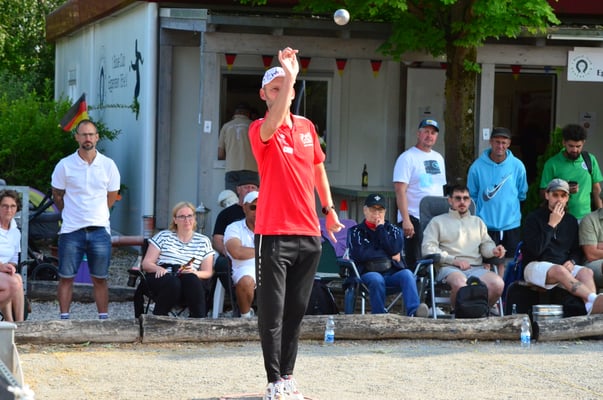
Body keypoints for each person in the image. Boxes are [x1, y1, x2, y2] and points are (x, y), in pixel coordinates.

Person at [248, 48, 343, 400]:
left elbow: (317, 167)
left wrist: (329, 209)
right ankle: (273, 380)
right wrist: (290, 76)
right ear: (264, 95)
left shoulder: (306, 127)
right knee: (272, 312)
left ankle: (288, 376)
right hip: (273, 233)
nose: (281, 92)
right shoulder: (260, 129)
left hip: (308, 233)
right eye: (274, 88)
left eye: (284, 87)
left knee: (296, 312)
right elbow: (273, 122)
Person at [51, 119, 121, 320]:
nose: (87, 138)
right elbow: (57, 195)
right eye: (83, 134)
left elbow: (111, 196)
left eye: (91, 134)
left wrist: (98, 213)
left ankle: (103, 319)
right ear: (77, 137)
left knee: (100, 278)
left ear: (97, 137)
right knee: (66, 277)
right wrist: (70, 213)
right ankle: (64, 320)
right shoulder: (65, 165)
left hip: (99, 230)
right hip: (71, 231)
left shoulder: (108, 165)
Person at [524, 179, 603, 314]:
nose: (559, 199)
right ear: (547, 195)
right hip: (535, 265)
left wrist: (572, 261)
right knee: (560, 270)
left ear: (567, 198)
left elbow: (576, 250)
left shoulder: (570, 220)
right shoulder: (533, 218)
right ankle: (594, 299)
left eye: (563, 195)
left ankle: (591, 309)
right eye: (555, 195)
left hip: (562, 267)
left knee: (586, 272)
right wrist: (551, 225)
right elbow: (535, 251)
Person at [422, 185, 506, 310]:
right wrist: (453, 260)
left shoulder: (478, 222)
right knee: (461, 284)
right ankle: (459, 315)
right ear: (450, 200)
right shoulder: (437, 222)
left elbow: (486, 245)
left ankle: (481, 312)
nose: (462, 202)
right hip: (449, 268)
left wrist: (493, 251)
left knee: (498, 284)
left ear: (470, 201)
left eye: (465, 198)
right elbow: (428, 248)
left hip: (476, 268)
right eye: (458, 198)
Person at [347, 193, 428, 317]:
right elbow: (359, 254)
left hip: (391, 273)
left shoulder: (394, 230)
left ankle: (414, 312)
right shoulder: (355, 231)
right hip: (366, 273)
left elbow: (395, 249)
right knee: (376, 279)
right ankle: (379, 316)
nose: (377, 214)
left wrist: (380, 229)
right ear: (365, 210)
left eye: (380, 210)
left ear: (385, 212)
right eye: (373, 209)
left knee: (407, 274)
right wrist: (388, 254)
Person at [467, 127, 528, 277]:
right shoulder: (477, 167)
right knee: (485, 263)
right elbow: (471, 196)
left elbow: (522, 193)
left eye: (504, 142)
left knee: (508, 264)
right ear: (490, 142)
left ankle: (503, 291)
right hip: (485, 225)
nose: (500, 146)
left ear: (509, 144)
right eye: (497, 142)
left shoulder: (517, 166)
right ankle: (487, 290)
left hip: (511, 225)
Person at [141, 201, 214, 317]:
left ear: (194, 218)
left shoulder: (203, 241)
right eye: (182, 216)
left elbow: (208, 272)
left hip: (188, 280)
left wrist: (194, 272)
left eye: (190, 216)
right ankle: (158, 318)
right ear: (175, 220)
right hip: (163, 278)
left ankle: (198, 321)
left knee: (191, 279)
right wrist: (157, 268)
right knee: (173, 282)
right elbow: (146, 264)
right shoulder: (164, 236)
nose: (186, 220)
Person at [393, 118, 447, 268]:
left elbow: (439, 188)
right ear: (418, 134)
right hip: (414, 219)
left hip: (435, 220)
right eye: (426, 132)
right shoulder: (407, 158)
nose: (429, 136)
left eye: (433, 133)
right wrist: (405, 220)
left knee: (436, 261)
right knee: (416, 263)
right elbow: (400, 190)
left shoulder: (438, 158)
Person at [540, 123, 603, 220]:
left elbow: (596, 190)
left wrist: (601, 215)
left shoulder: (590, 160)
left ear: (583, 143)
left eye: (578, 146)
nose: (574, 150)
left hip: (586, 217)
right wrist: (564, 189)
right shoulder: (552, 163)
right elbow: (543, 192)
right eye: (571, 146)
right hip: (561, 216)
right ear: (564, 142)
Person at [211, 178, 259, 299]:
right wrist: (227, 251)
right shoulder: (226, 214)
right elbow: (217, 239)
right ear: (238, 190)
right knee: (222, 264)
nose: (250, 190)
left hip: (258, 259)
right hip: (231, 255)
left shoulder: (267, 215)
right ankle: (237, 300)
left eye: (253, 187)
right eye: (246, 187)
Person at [224, 190, 258, 318]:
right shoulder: (234, 227)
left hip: (271, 267)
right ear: (244, 208)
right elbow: (237, 252)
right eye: (253, 208)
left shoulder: (272, 227)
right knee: (245, 281)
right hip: (244, 268)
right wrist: (265, 251)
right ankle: (245, 318)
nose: (258, 212)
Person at [218, 103, 259, 192]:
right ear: (248, 114)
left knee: (231, 197)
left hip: (232, 169)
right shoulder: (254, 125)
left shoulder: (226, 126)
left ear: (235, 113)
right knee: (250, 198)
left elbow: (220, 154)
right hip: (251, 169)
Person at [0, 190, 25, 322]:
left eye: (12, 206)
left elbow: (14, 258)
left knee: (17, 278)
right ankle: (10, 322)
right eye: (5, 206)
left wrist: (10, 267)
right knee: (13, 282)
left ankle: (19, 324)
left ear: (17, 209)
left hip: (4, 272)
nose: (9, 210)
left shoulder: (15, 232)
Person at [579, 207, 603, 290]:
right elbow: (591, 254)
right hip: (593, 263)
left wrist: (599, 246)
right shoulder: (589, 219)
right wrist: (595, 248)